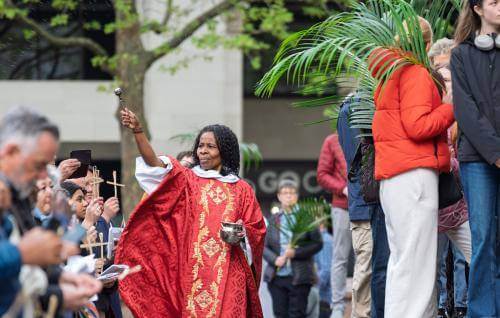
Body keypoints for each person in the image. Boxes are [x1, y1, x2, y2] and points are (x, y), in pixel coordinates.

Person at [115, 108, 266, 317]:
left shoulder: (241, 189)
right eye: (200, 146)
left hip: (230, 272)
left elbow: (257, 228)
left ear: (225, 151)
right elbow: (154, 163)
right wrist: (138, 131)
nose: (203, 151)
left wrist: (242, 233)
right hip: (192, 270)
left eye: (210, 146)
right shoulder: (187, 179)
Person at [370, 17, 455, 317]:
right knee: (417, 261)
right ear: (427, 43)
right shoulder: (416, 73)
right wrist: (450, 107)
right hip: (415, 173)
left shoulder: (387, 74)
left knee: (403, 260)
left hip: (393, 175)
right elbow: (419, 127)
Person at [0, 107, 101, 315]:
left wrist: (59, 281)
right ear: (10, 151)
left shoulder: (16, 195)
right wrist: (20, 254)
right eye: (38, 165)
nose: (42, 177)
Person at [450, 1, 500, 316]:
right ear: (478, 8)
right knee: (483, 239)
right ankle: (483, 313)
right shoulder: (461, 55)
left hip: (489, 156)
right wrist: (496, 153)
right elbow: (466, 112)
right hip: (477, 160)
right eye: (495, 2)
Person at [337, 95, 389, 318]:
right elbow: (358, 161)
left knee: (378, 268)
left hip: (381, 202)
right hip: (364, 204)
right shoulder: (352, 109)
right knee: (367, 267)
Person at [263, 179, 323, 318]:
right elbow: (264, 246)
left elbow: (317, 243)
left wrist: (295, 253)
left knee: (297, 314)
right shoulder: (273, 220)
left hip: (300, 276)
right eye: (285, 193)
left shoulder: (307, 218)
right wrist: (274, 259)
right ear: (279, 196)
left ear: (296, 196)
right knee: (279, 314)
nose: (288, 196)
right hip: (276, 277)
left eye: (291, 193)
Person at [316, 134, 350, 318]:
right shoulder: (332, 140)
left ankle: (365, 301)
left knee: (368, 256)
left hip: (369, 205)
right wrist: (342, 188)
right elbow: (322, 174)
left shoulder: (369, 133)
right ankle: (337, 306)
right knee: (340, 257)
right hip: (342, 207)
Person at [314, 223, 333, 318]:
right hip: (323, 298)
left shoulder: (324, 240)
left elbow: (325, 270)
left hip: (323, 299)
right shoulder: (322, 239)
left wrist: (313, 290)